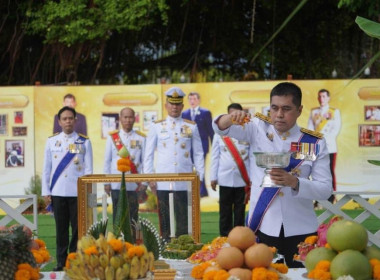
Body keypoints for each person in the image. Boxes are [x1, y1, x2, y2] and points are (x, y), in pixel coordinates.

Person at [212, 82, 332, 268]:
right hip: (263, 226)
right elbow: (220, 128)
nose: (279, 115)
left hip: (301, 229)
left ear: (299, 110)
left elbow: (325, 189)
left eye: (286, 109)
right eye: (274, 108)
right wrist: (230, 118)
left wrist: (296, 183)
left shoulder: (314, 142)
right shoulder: (257, 128)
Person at [144, 87, 204, 241]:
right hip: (163, 181)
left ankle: (182, 250)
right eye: (172, 104)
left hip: (185, 181)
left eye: (178, 104)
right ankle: (165, 249)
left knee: (184, 219)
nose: (175, 107)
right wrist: (149, 178)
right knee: (165, 220)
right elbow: (148, 155)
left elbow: (198, 153)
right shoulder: (156, 126)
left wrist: (200, 177)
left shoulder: (191, 126)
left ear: (182, 106)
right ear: (166, 106)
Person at [42, 106, 93, 271]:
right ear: (59, 122)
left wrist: (86, 192)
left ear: (75, 120)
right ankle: (61, 262)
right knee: (61, 230)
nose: (68, 121)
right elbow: (46, 169)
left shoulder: (84, 141)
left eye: (70, 118)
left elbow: (88, 170)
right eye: (64, 119)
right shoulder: (51, 141)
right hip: (58, 192)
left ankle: (75, 260)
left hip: (77, 193)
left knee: (78, 229)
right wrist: (46, 192)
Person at [210, 103, 252, 237]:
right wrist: (213, 177)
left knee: (240, 211)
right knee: (225, 212)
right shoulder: (219, 134)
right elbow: (215, 156)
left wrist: (251, 179)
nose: (234, 117)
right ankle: (224, 238)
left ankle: (238, 238)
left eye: (236, 114)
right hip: (225, 178)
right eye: (231, 115)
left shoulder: (247, 132)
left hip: (242, 179)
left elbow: (251, 158)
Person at [103, 107, 146, 226]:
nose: (128, 120)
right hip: (116, 183)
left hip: (134, 184)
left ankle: (132, 243)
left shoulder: (141, 138)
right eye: (125, 117)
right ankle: (117, 242)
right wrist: (106, 182)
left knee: (133, 217)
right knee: (118, 216)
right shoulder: (112, 138)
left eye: (130, 117)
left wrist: (144, 183)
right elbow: (107, 161)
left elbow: (145, 162)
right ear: (120, 119)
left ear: (135, 119)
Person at [308, 89, 341, 203]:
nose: (321, 99)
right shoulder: (314, 112)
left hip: (330, 146)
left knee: (330, 171)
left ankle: (331, 198)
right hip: (316, 147)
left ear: (328, 98)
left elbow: (335, 129)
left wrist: (323, 139)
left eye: (323, 96)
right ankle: (319, 199)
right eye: (319, 96)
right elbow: (310, 128)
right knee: (317, 172)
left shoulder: (334, 112)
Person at [182, 92, 214, 197]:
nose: (192, 101)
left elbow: (210, 130)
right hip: (188, 146)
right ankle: (194, 190)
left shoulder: (205, 113)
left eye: (194, 99)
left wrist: (214, 144)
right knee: (189, 167)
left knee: (200, 166)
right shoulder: (184, 114)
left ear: (198, 100)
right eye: (190, 99)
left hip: (202, 145)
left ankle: (202, 191)